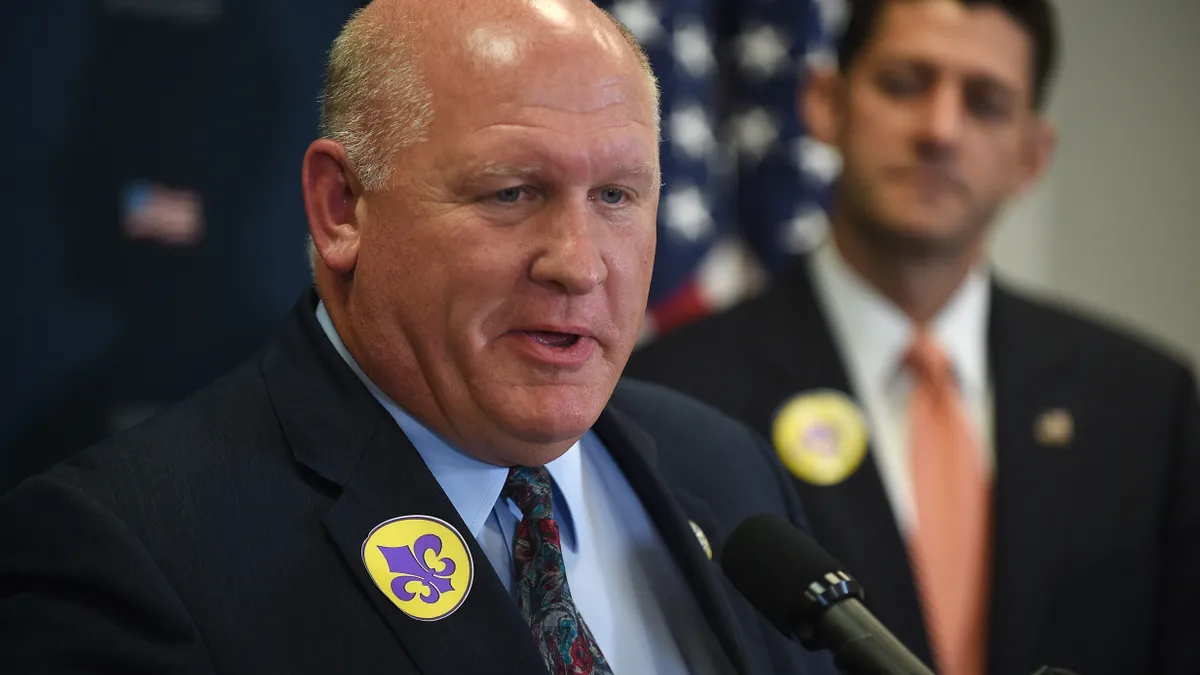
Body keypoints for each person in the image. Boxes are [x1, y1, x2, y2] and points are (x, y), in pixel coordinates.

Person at [0, 1, 841, 674]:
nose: (580, 265)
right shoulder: (130, 553)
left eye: (618, 196)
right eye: (513, 192)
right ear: (341, 207)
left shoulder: (728, 472)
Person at [626, 1, 1200, 674]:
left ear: (1032, 155)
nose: (940, 129)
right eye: (904, 84)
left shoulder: (1142, 403)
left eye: (985, 103)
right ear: (825, 103)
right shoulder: (673, 390)